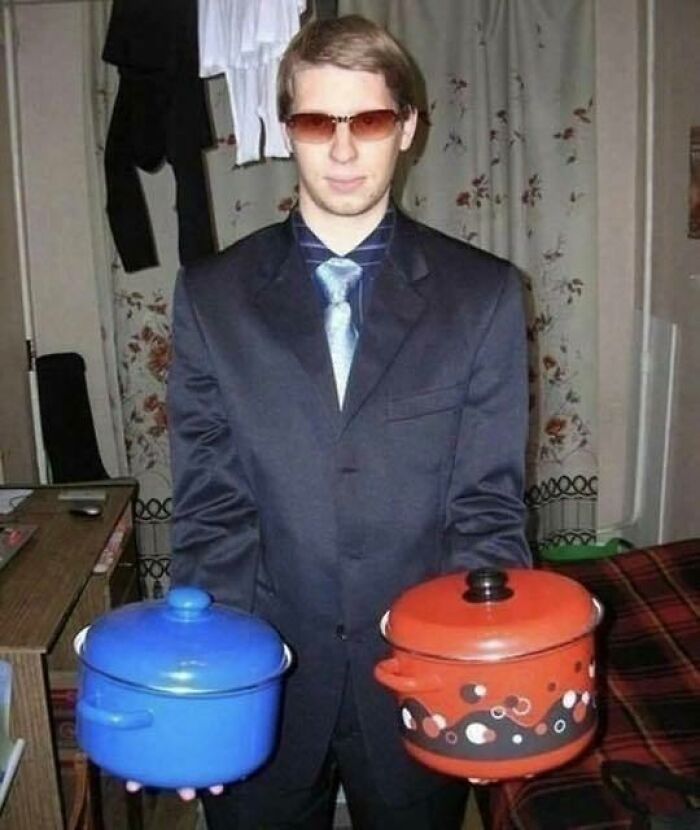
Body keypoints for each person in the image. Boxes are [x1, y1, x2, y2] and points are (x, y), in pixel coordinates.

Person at [166, 13, 531, 830]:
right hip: (263, 676)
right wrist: (203, 688)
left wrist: (488, 667)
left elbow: (487, 510)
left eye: (366, 121)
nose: (340, 150)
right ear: (285, 128)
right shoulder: (212, 298)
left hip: (417, 674)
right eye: (314, 122)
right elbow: (209, 509)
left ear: (405, 128)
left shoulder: (484, 297)